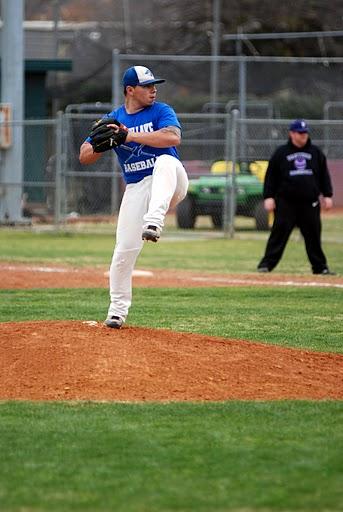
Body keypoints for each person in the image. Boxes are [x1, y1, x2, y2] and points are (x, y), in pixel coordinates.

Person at [79, 65, 188, 328]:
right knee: (123, 252)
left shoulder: (161, 110)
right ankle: (116, 312)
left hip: (170, 182)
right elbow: (84, 154)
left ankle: (154, 221)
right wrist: (104, 144)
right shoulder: (113, 117)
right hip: (138, 188)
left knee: (164, 162)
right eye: (147, 86)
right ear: (130, 90)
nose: (154, 90)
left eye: (154, 85)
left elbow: (173, 138)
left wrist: (128, 135)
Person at [257, 119, 335, 275]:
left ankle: (320, 267)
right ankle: (266, 265)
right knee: (279, 234)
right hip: (286, 202)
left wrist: (327, 195)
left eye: (305, 133)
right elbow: (271, 177)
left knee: (313, 236)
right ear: (291, 133)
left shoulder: (315, 153)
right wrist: (269, 197)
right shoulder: (281, 153)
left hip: (309, 203)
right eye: (300, 133)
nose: (303, 136)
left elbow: (324, 176)